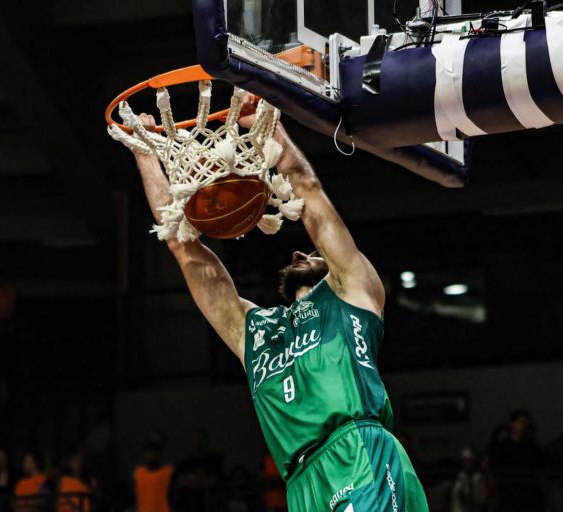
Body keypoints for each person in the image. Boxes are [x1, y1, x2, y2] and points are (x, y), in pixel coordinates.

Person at [129, 97, 428, 511]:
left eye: (313, 253)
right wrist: (146, 155)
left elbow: (307, 189)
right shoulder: (254, 332)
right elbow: (183, 247)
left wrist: (268, 127)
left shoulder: (350, 290)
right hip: (300, 483)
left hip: (358, 454)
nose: (299, 253)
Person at [133, 442, 173, 512]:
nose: (152, 455)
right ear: (144, 454)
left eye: (154, 452)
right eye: (149, 452)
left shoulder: (168, 472)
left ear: (160, 455)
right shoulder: (138, 473)